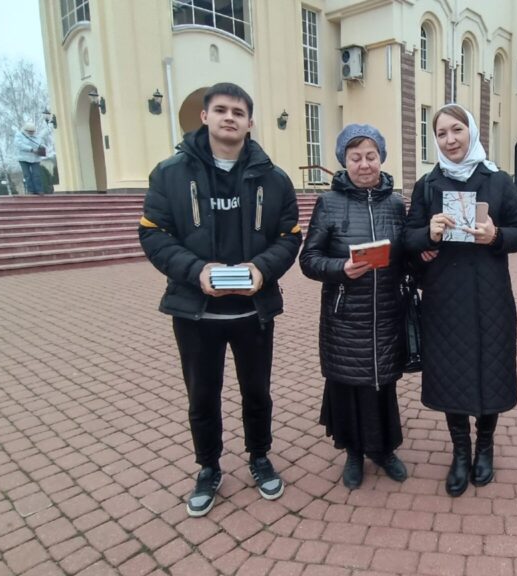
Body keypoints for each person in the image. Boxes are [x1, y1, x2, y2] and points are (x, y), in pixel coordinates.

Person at [138, 83, 302, 517]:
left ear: (250, 123)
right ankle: (208, 467)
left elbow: (289, 236)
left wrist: (262, 269)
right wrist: (197, 271)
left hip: (253, 310)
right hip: (196, 312)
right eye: (221, 110)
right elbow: (153, 234)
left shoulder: (274, 179)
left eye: (238, 112)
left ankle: (259, 457)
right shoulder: (169, 174)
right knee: (202, 396)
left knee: (257, 392)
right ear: (205, 117)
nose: (230, 117)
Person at [404, 103, 517, 497]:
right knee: (451, 373)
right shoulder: (428, 184)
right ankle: (461, 452)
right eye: (441, 133)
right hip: (444, 298)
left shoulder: (497, 180)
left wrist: (496, 236)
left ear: (471, 131)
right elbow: (408, 238)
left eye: (456, 130)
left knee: (491, 370)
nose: (450, 139)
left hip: (490, 295)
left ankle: (485, 448)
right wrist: (428, 234)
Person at [299, 124, 409, 489]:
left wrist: (422, 254)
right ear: (344, 161)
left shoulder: (396, 204)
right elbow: (309, 259)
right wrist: (341, 269)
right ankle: (354, 453)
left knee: (383, 384)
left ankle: (385, 450)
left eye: (371, 156)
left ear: (381, 158)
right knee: (349, 384)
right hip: (345, 315)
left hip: (386, 312)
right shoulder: (329, 203)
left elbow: (406, 255)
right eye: (355, 157)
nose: (364, 164)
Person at [14, 124, 45, 195]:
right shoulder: (19, 135)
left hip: (35, 158)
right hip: (23, 158)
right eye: (30, 131)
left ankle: (39, 190)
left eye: (33, 131)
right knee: (27, 175)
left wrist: (41, 149)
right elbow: (19, 145)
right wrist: (31, 149)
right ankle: (30, 190)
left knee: (36, 174)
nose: (31, 133)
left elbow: (41, 143)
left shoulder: (37, 136)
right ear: (25, 130)